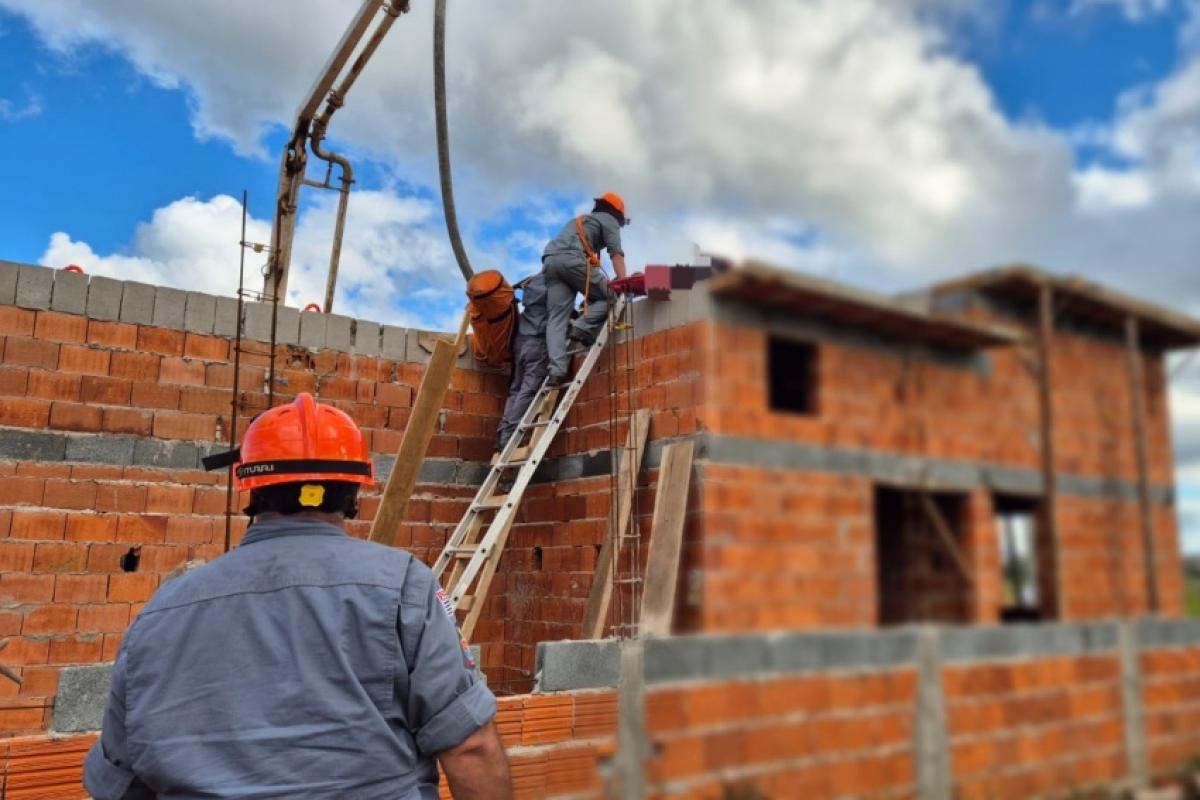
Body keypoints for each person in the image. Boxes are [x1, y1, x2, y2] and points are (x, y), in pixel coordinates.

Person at [84, 393, 511, 800]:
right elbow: (471, 747)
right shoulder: (404, 586)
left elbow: (119, 782)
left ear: (253, 491)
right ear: (352, 494)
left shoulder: (164, 609)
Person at [541, 191, 629, 386]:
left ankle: (556, 371)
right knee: (611, 295)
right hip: (572, 260)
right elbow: (616, 254)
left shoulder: (579, 221)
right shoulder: (610, 220)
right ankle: (582, 327)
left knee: (556, 318)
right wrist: (624, 283)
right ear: (617, 214)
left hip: (550, 261)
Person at [496, 273, 549, 452]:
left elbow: (513, 287)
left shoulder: (532, 282)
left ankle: (502, 435)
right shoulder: (555, 284)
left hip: (520, 341)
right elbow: (558, 311)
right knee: (528, 390)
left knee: (516, 390)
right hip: (537, 342)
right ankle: (508, 437)